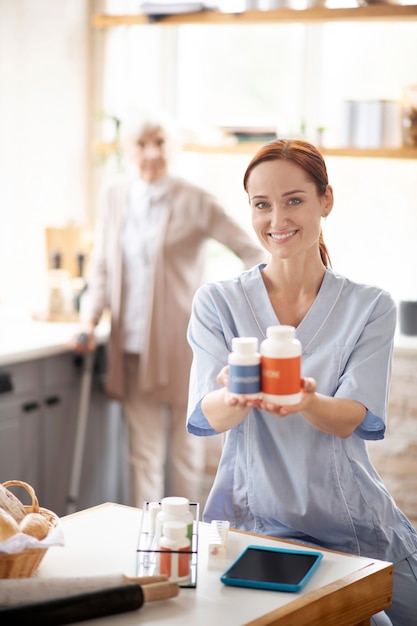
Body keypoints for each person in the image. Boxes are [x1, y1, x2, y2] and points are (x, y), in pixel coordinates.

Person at [186, 139, 417, 625]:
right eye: (261, 205)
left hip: (349, 522)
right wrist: (236, 394)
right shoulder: (218, 302)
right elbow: (210, 411)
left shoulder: (371, 306)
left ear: (325, 201)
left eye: (294, 200)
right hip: (254, 523)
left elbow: (351, 417)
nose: (277, 220)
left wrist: (306, 400)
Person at [73, 108, 266, 509]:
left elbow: (252, 253)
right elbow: (103, 265)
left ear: (172, 147)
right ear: (128, 149)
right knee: (141, 454)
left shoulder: (195, 200)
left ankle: (184, 546)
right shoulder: (114, 196)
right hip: (131, 345)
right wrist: (89, 319)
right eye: (141, 144)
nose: (151, 153)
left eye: (159, 142)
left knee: (185, 451)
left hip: (185, 347)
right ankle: (145, 544)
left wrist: (234, 312)